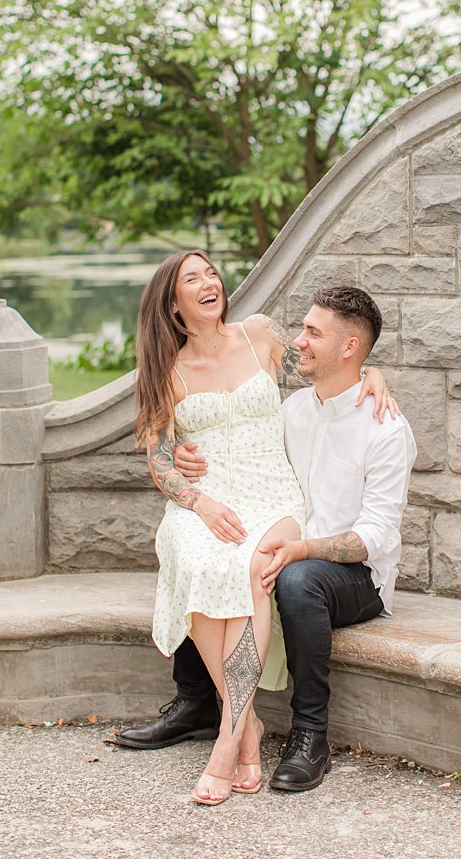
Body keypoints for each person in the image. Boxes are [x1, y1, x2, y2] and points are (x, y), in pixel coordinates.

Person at [107, 252, 395, 805]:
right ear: (174, 302)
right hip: (209, 499)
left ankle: (226, 739)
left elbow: (322, 364)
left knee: (253, 567)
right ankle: (249, 728)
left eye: (211, 272)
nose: (209, 282)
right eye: (192, 279)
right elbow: (160, 461)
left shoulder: (258, 334)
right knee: (193, 557)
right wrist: (201, 503)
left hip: (271, 492)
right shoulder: (166, 370)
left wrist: (373, 370)